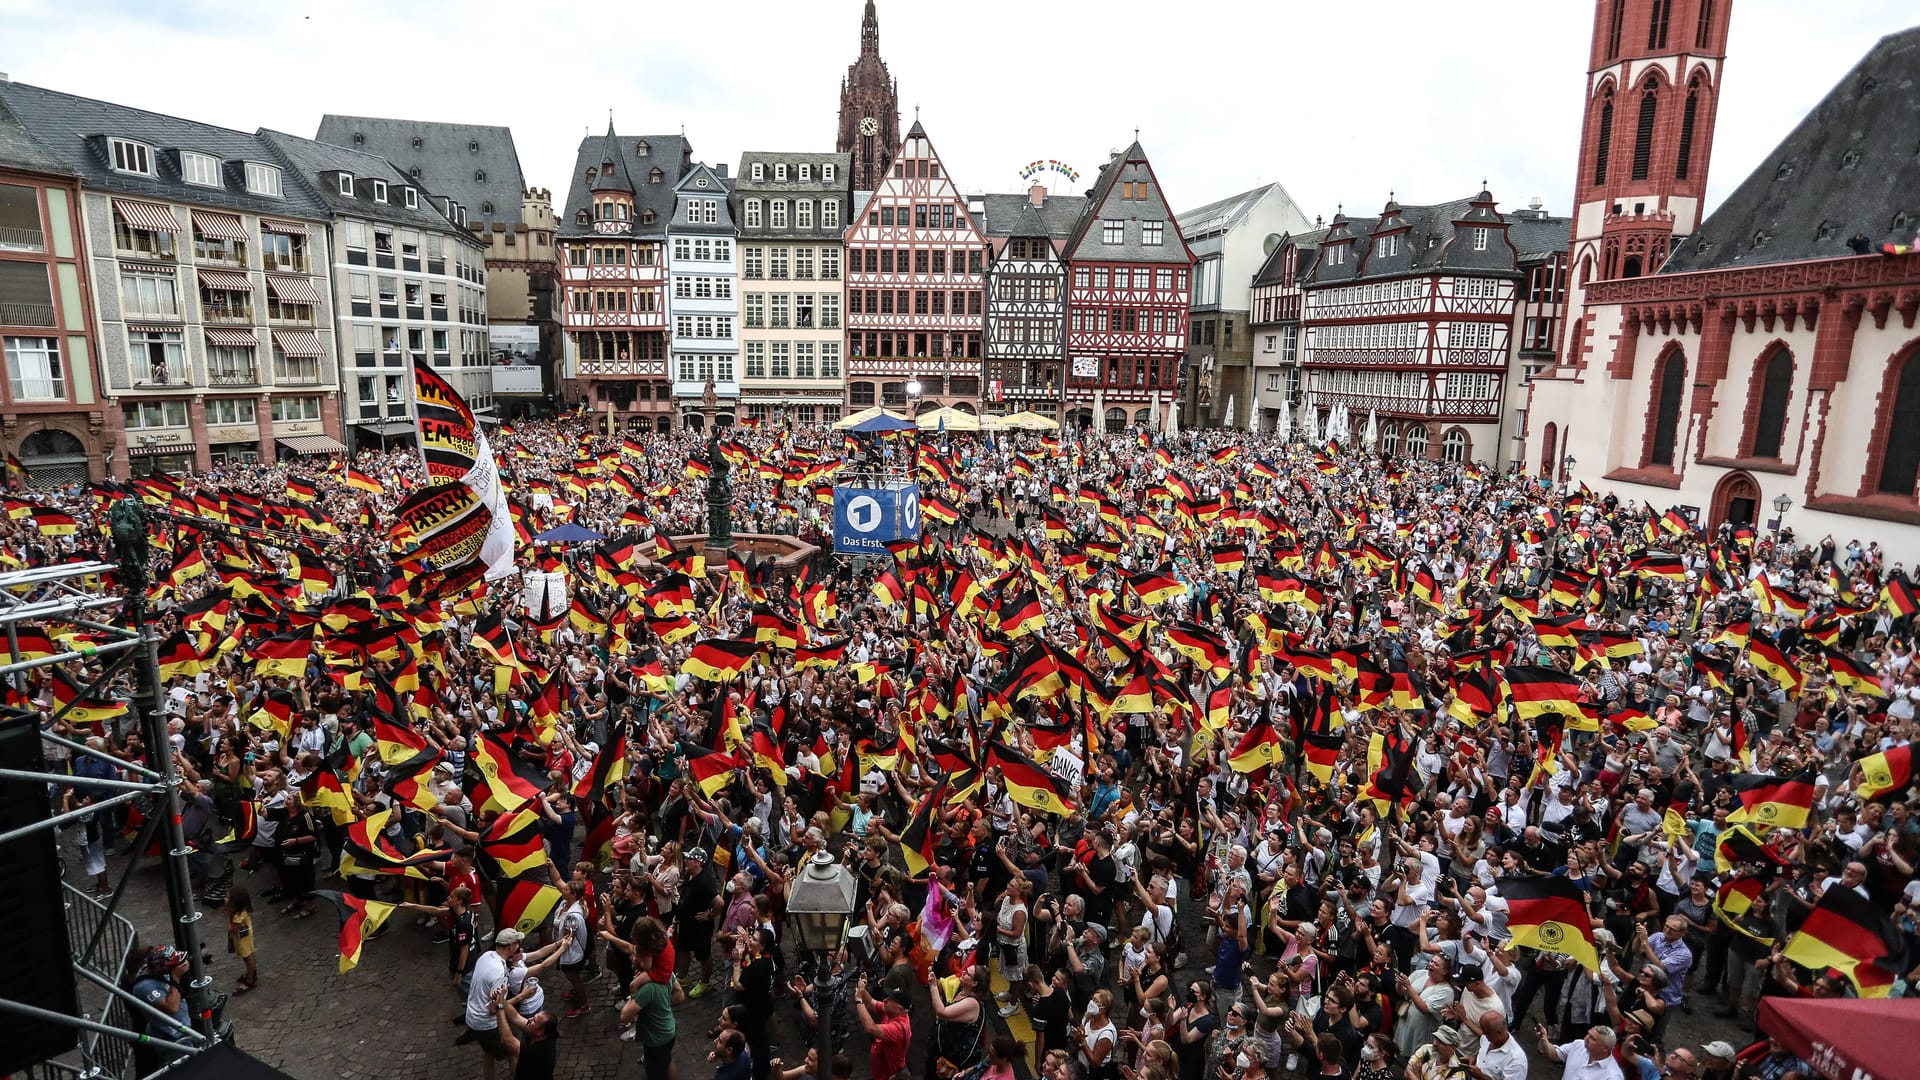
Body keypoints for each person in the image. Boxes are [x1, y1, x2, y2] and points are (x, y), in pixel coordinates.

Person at [855, 978, 912, 1080]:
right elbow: (871, 1003)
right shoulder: (891, 1010)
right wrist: (862, 990)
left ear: (900, 1008)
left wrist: (859, 1001)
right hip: (880, 1070)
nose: (885, 1000)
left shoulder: (898, 1028)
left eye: (890, 999)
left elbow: (870, 1027)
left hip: (887, 1075)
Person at [1534, 1022, 1625, 1080]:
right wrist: (1544, 1039)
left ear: (1605, 1048)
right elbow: (1554, 1054)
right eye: (1588, 1034)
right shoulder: (1578, 1045)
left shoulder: (1612, 1076)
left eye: (1592, 1038)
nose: (1586, 1039)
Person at [225, 885, 257, 993]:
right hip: (243, 937)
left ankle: (250, 979)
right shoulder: (239, 912)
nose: (225, 899)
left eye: (228, 898)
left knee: (248, 957)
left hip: (243, 939)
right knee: (247, 956)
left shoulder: (237, 915)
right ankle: (250, 972)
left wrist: (228, 917)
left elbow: (232, 929)